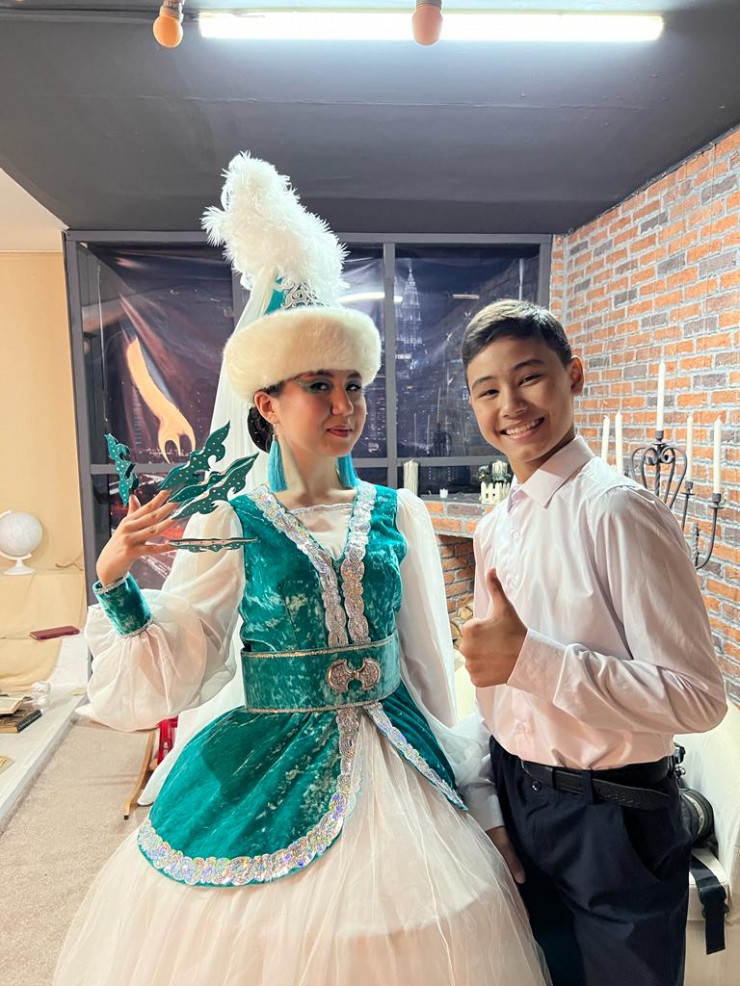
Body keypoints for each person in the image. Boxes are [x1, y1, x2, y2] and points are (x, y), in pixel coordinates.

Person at [53, 157, 548, 986]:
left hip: (396, 756)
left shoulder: (399, 514)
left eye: (354, 384)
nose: (346, 406)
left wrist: (478, 797)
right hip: (268, 757)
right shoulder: (233, 519)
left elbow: (427, 665)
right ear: (268, 404)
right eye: (319, 385)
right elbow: (191, 650)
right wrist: (117, 584)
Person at [458, 299, 727, 986]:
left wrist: (533, 661)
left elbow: (699, 698)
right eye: (488, 390)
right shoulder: (495, 527)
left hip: (614, 819)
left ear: (573, 375)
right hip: (522, 802)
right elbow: (501, 701)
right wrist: (489, 801)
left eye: (529, 377)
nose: (511, 405)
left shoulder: (619, 510)